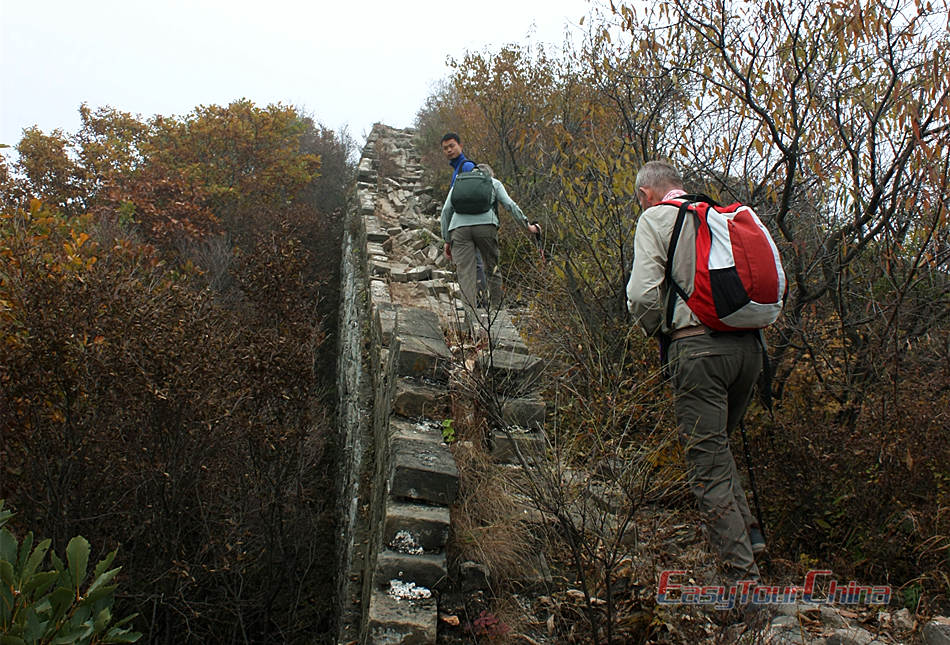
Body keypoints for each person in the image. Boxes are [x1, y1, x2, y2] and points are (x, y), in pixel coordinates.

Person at [626, 160, 765, 585]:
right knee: (718, 448)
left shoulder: (656, 218)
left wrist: (659, 331)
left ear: (647, 194)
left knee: (706, 465)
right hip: (749, 351)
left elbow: (641, 295)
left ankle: (745, 586)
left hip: (698, 351)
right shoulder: (718, 215)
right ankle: (752, 537)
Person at [441, 163, 539, 335]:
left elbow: (446, 210)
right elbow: (510, 205)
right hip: (487, 227)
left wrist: (447, 240)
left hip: (459, 229)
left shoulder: (459, 182)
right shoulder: (493, 182)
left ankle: (471, 323)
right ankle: (497, 316)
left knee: (466, 275)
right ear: (489, 173)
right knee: (492, 269)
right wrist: (528, 227)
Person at [441, 133, 488, 302]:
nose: (449, 150)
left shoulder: (465, 167)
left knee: (471, 265)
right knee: (475, 263)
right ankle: (481, 302)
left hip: (467, 224)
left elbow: (449, 206)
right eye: (445, 148)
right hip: (477, 222)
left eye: (452, 146)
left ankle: (479, 304)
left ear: (461, 145)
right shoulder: (459, 168)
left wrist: (447, 237)